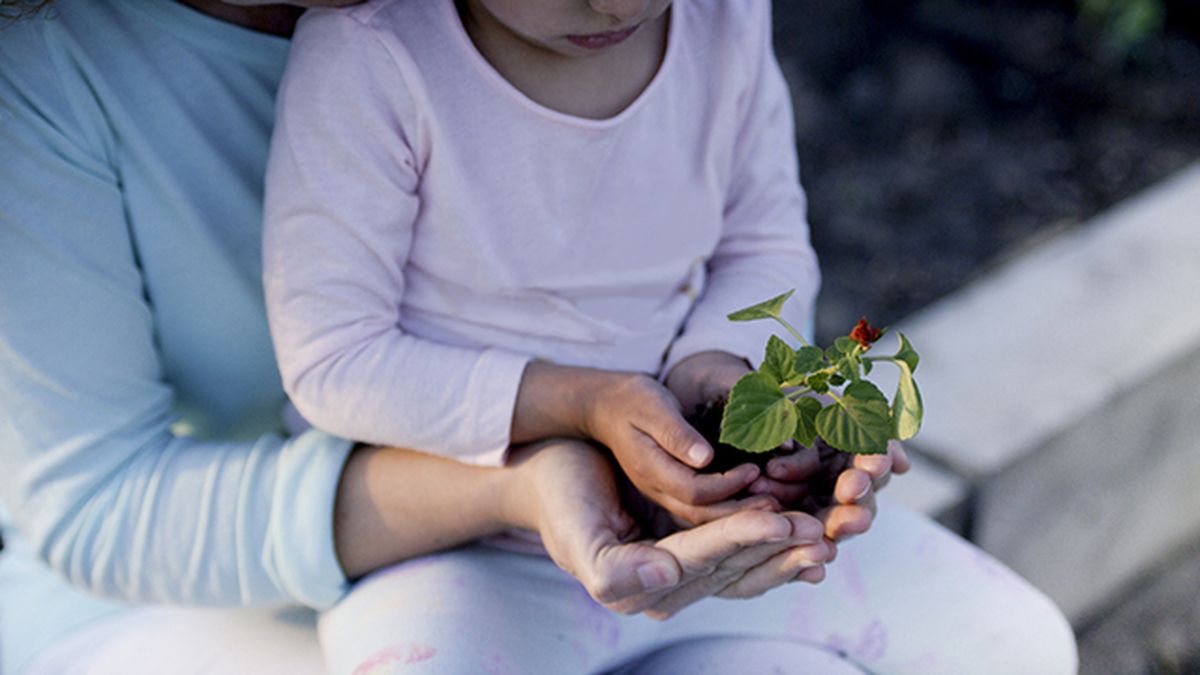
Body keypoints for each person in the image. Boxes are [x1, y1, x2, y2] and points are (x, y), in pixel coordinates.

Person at [0, 1, 1077, 674]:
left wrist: (733, 399)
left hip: (630, 518)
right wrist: (541, 456)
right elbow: (107, 497)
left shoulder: (703, 24)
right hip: (230, 578)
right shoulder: (356, 57)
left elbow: (754, 240)